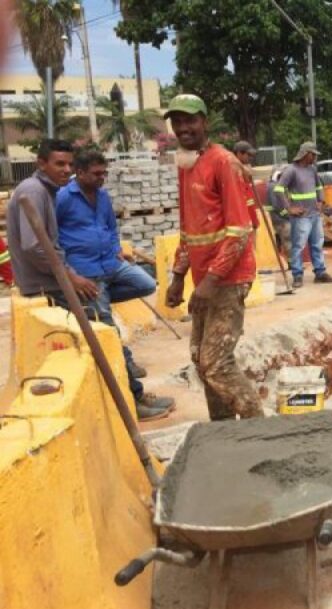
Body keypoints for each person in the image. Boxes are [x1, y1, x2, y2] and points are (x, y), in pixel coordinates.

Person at [54, 150, 175, 420]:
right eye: (96, 174)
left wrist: (115, 248)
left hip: (110, 264)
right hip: (86, 272)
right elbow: (52, 240)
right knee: (108, 333)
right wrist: (71, 275)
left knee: (145, 283)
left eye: (104, 173)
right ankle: (134, 398)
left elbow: (109, 227)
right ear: (81, 172)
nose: (102, 178)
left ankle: (102, 300)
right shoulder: (63, 198)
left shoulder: (104, 197)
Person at [163, 94, 262, 422]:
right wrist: (178, 276)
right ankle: (222, 432)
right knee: (200, 360)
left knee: (216, 364)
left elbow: (240, 231)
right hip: (204, 279)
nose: (182, 128)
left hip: (227, 278)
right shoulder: (187, 163)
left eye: (190, 120)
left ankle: (260, 428)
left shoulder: (223, 162)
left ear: (204, 121)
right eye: (177, 122)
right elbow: (189, 230)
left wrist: (208, 282)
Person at [275, 142, 332, 288]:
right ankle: (297, 275)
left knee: (317, 244)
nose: (315, 157)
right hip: (301, 217)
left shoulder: (312, 170)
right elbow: (278, 189)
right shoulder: (291, 170)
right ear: (305, 154)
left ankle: (320, 273)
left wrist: (321, 200)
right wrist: (289, 208)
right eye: (313, 154)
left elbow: (318, 186)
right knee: (298, 246)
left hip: (314, 215)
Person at [231, 141, 262, 232]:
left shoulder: (242, 171)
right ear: (239, 153)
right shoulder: (233, 172)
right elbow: (246, 201)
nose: (250, 158)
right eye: (248, 155)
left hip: (247, 223)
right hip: (241, 225)